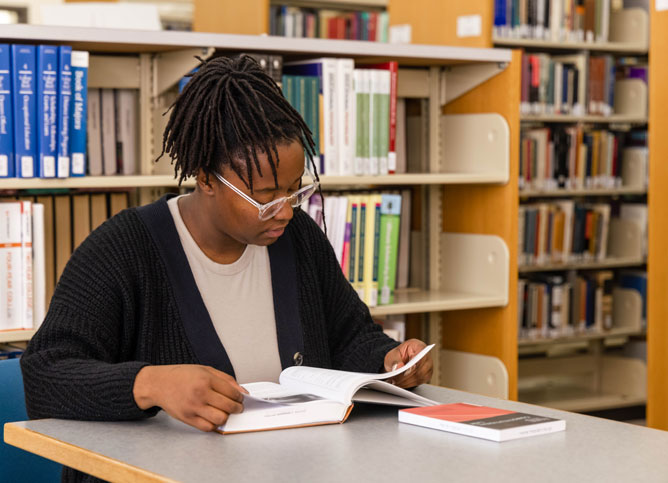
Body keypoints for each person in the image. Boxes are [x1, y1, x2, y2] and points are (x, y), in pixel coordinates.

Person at [20, 55, 433, 481]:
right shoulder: (123, 250)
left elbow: (349, 336)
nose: (285, 212)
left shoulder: (298, 240)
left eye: (295, 191)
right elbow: (44, 375)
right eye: (266, 196)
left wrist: (389, 360)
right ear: (206, 178)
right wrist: (150, 384)